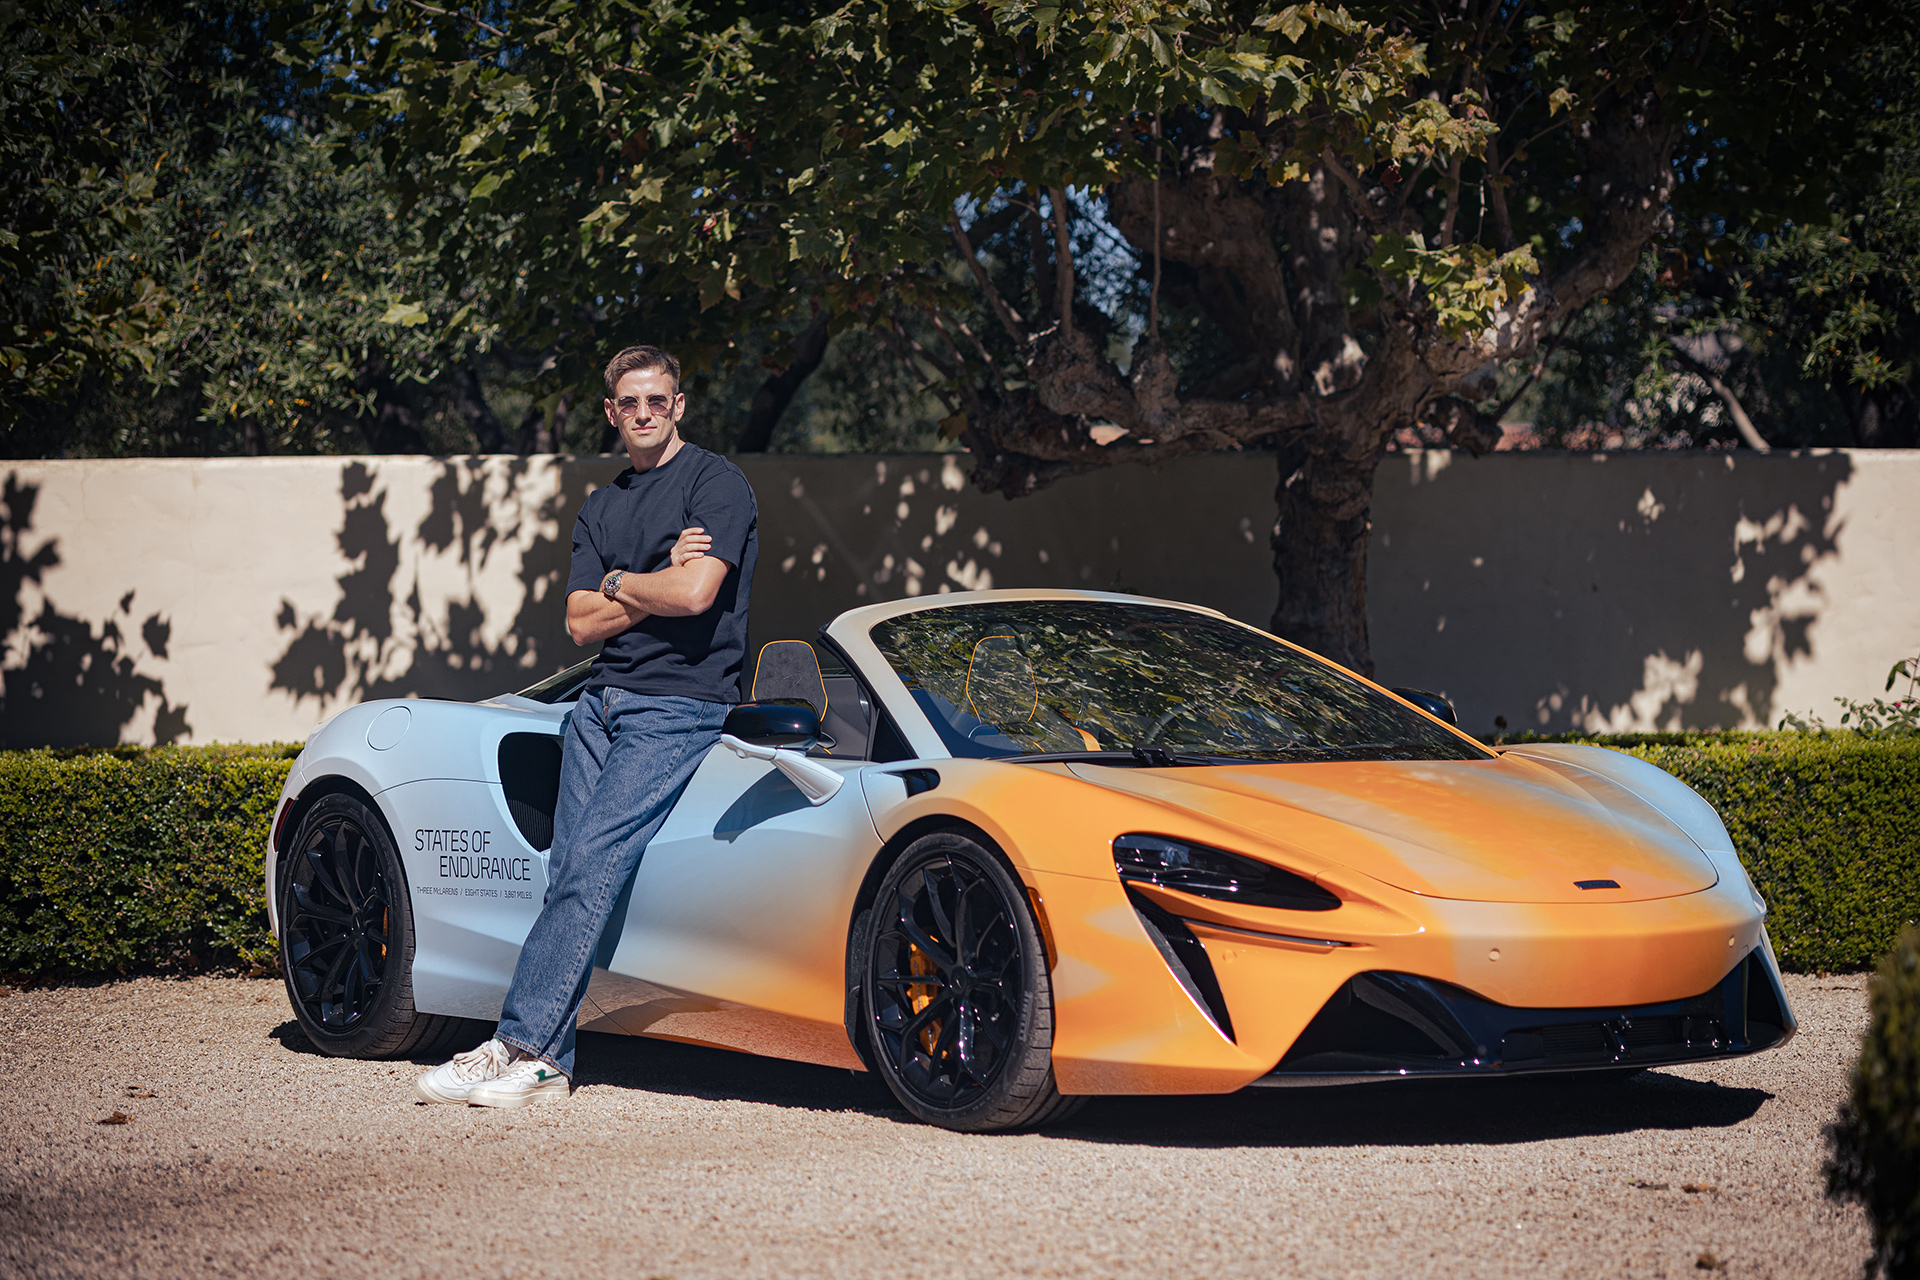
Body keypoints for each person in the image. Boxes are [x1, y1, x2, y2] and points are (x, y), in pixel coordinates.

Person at [415, 343, 758, 1109]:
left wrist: (620, 584)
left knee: (591, 863)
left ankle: (520, 1044)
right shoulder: (602, 507)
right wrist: (649, 581)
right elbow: (577, 624)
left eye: (657, 401)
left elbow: (699, 594)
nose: (643, 414)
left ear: (678, 405)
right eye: (629, 404)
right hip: (596, 706)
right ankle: (551, 1064)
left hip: (678, 705)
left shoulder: (716, 484)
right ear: (611, 412)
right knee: (567, 871)